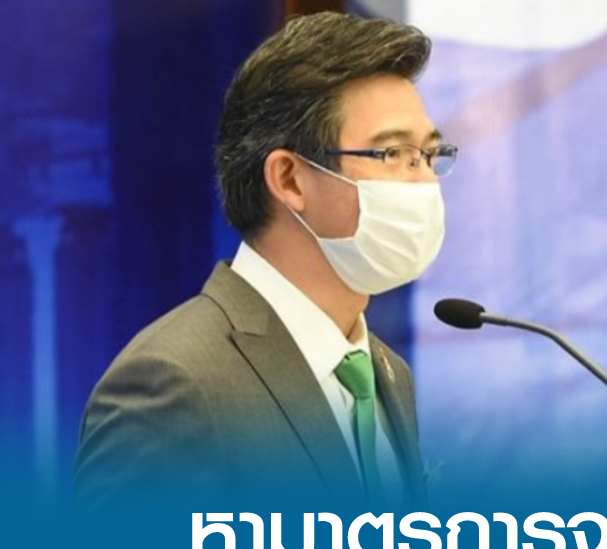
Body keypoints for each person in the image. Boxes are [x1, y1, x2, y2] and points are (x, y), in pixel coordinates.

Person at [73, 12, 453, 512]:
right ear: (290, 179)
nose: (425, 182)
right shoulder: (175, 381)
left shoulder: (387, 373)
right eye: (393, 154)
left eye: (430, 155)